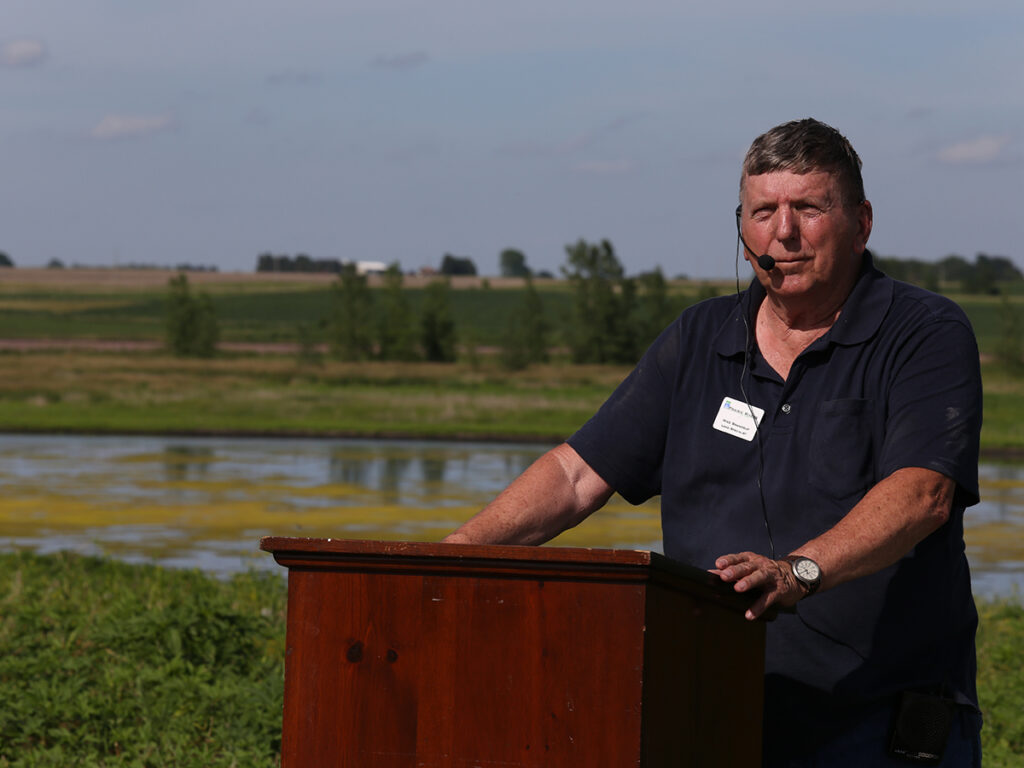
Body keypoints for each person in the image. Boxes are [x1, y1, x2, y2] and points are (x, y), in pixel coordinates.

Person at [442, 118, 983, 766]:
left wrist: (797, 572)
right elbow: (577, 475)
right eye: (763, 211)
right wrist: (456, 553)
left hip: (878, 732)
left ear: (861, 221)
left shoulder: (922, 332)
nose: (783, 231)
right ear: (741, 227)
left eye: (807, 208)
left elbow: (923, 493)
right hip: (713, 715)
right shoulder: (701, 337)